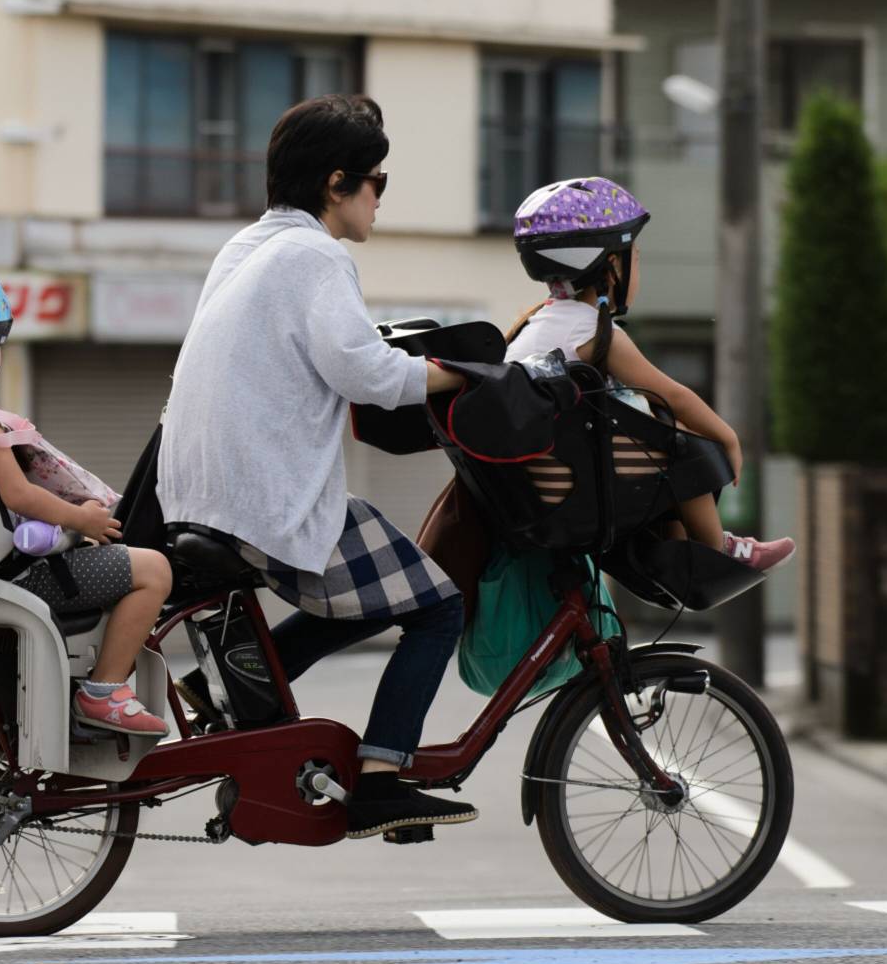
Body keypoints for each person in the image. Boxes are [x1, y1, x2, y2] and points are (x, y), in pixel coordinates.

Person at [157, 94, 476, 841]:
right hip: (269, 497)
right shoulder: (317, 255)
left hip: (201, 493)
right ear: (337, 183)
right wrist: (460, 374)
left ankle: (214, 687)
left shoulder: (245, 247)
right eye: (378, 182)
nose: (378, 198)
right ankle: (383, 778)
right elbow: (366, 371)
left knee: (371, 593)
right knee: (437, 605)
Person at [0, 264, 174, 737]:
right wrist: (80, 518)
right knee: (153, 571)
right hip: (13, 577)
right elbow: (18, 492)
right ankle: (104, 691)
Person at [504, 178, 795, 571]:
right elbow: (673, 396)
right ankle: (716, 550)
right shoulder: (591, 328)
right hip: (568, 488)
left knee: (653, 430)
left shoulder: (534, 321)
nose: (638, 268)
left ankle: (677, 545)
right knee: (686, 445)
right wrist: (726, 438)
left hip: (536, 481)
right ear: (611, 268)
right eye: (635, 258)